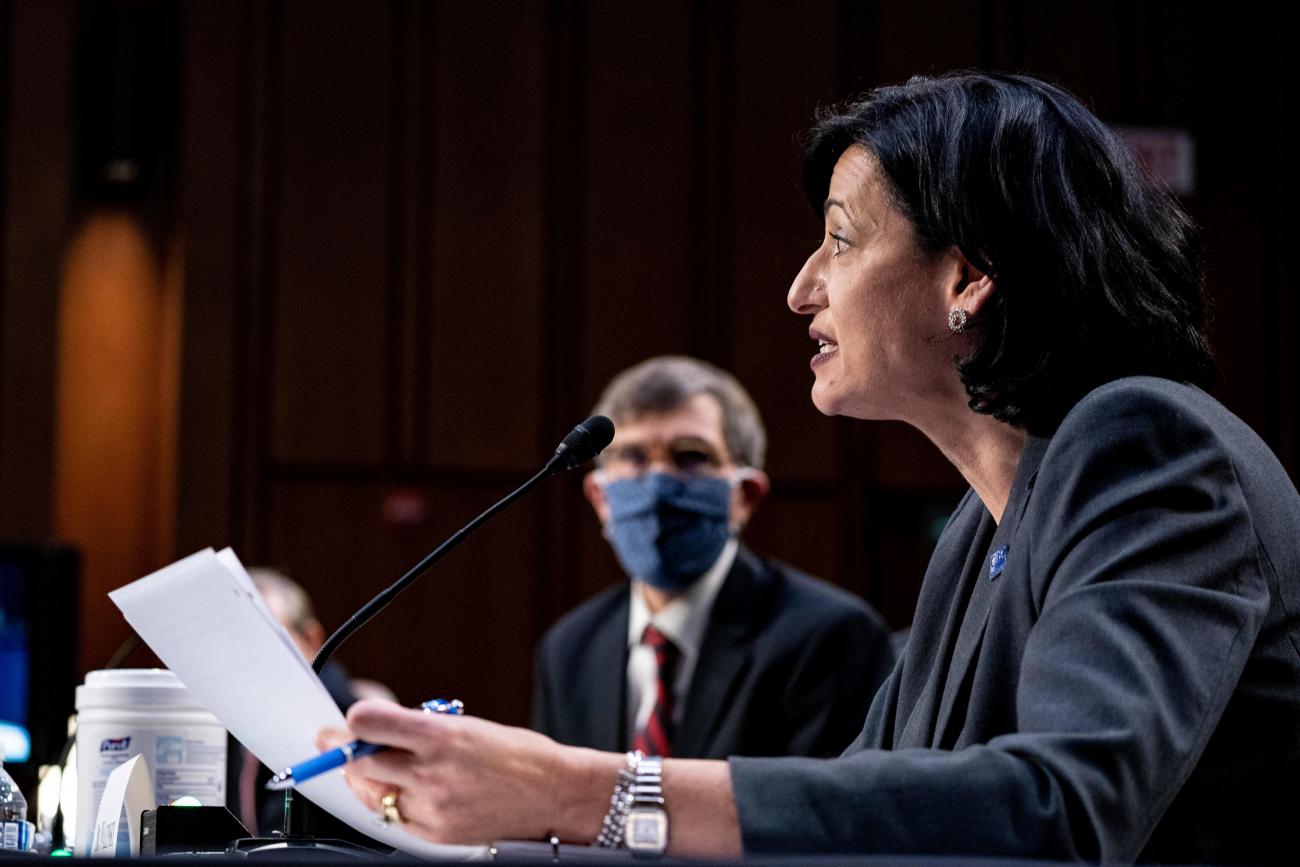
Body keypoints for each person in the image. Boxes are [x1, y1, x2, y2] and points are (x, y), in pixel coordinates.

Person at [318, 72, 1300, 863]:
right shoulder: (981, 522)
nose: (799, 291)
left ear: (967, 275)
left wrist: (586, 793)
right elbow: (864, 807)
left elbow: (1061, 812)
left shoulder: (1145, 445)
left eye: (839, 240)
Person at [533, 356, 894, 759]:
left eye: (691, 455)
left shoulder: (830, 637)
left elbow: (823, 812)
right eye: (633, 456)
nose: (659, 482)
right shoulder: (569, 650)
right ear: (600, 498)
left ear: (745, 496)